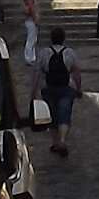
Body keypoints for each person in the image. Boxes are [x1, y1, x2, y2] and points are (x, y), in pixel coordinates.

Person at [40, 27, 78, 156]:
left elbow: (37, 73)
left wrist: (33, 91)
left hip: (48, 87)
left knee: (52, 115)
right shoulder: (70, 53)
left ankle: (55, 142)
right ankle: (62, 140)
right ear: (63, 38)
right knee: (64, 114)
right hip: (66, 88)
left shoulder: (44, 53)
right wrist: (78, 88)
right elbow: (76, 72)